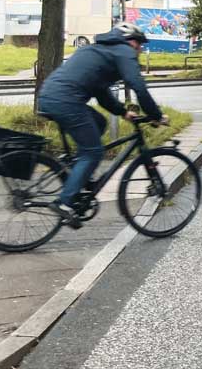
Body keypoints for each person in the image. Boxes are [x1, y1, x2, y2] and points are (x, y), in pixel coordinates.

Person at [37, 23, 166, 225]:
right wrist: (156, 114)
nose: (140, 50)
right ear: (132, 41)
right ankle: (65, 202)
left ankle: (78, 171)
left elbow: (102, 94)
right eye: (140, 46)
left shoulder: (98, 50)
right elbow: (138, 86)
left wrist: (123, 112)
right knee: (93, 152)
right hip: (66, 101)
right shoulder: (124, 51)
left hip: (50, 97)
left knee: (99, 122)